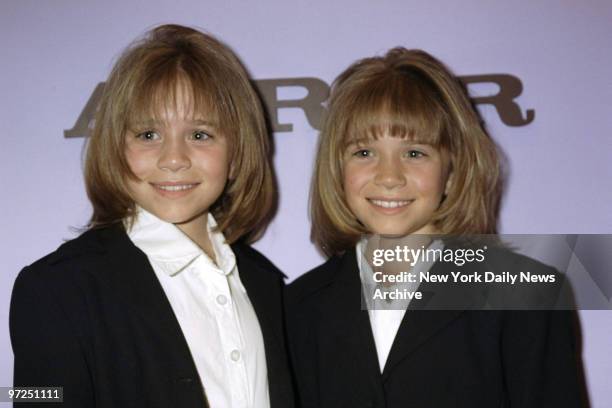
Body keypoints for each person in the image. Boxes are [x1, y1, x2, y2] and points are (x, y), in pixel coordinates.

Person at [10, 24, 294, 408]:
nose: (173, 159)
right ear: (115, 147)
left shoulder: (265, 284)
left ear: (236, 154)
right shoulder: (56, 289)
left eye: (200, 135)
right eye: (148, 135)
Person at [286, 48, 583, 407]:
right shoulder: (298, 307)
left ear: (452, 169)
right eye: (364, 153)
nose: (389, 177)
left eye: (415, 153)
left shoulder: (526, 295)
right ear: (337, 169)